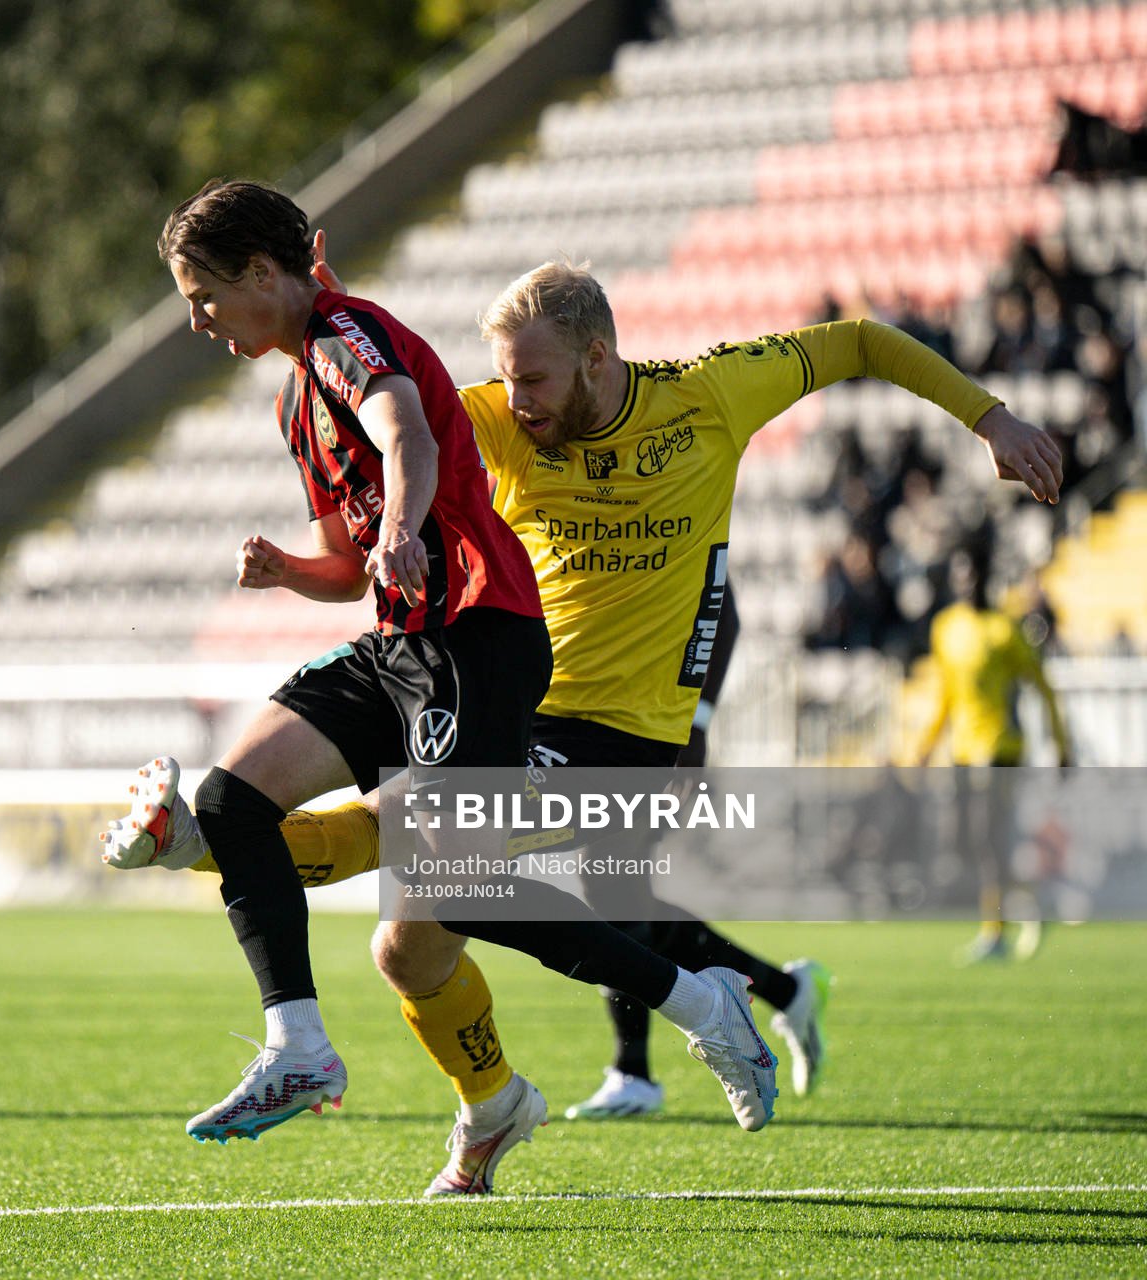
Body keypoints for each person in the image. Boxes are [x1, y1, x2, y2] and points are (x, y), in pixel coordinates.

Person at [108, 249, 1064, 1188]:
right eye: (505, 378)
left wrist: (992, 418)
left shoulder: (711, 396)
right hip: (508, 705)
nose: (514, 399)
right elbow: (399, 397)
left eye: (533, 378)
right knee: (406, 947)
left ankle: (196, 842)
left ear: (598, 357)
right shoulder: (497, 417)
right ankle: (491, 1113)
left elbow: (858, 340)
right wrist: (324, 304)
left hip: (623, 740)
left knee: (407, 848)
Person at [123, 182, 782, 1188]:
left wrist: (398, 526)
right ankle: (300, 1041)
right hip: (405, 646)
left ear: (262, 275)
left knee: (440, 883)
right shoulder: (298, 395)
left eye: (202, 294)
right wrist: (291, 570)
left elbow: (410, 437)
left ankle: (700, 1001)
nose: (197, 319)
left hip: (483, 636)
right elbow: (344, 564)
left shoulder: (347, 336)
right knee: (234, 795)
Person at [914, 546, 1073, 963]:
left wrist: (1062, 744)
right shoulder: (947, 628)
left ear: (984, 578)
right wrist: (925, 747)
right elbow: (946, 696)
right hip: (963, 749)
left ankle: (995, 933)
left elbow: (1043, 686)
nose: (966, 583)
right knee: (967, 843)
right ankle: (1029, 901)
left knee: (988, 839)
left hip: (1001, 747)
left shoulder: (1004, 630)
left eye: (973, 574)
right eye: (960, 574)